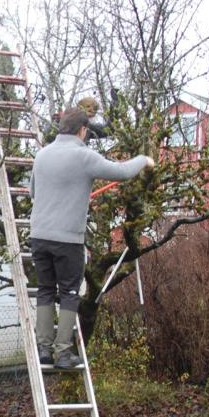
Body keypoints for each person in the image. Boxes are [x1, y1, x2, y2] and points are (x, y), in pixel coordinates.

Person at [30, 103, 154, 369]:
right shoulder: (84, 156)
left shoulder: (41, 156)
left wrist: (67, 194)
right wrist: (144, 160)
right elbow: (121, 172)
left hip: (39, 236)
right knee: (69, 292)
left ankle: (43, 349)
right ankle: (63, 353)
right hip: (67, 240)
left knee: (45, 290)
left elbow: (33, 193)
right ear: (82, 130)